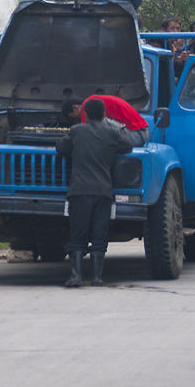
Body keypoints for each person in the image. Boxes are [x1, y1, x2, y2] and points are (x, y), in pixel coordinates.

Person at [57, 98, 134, 287]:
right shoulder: (111, 132)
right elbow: (128, 146)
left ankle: (76, 276)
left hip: (80, 191)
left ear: (87, 114)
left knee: (78, 233)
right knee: (100, 232)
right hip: (103, 191)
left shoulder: (77, 131)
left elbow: (61, 149)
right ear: (104, 115)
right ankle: (97, 277)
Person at [79, 94, 149, 147]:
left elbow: (86, 133)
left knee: (96, 122)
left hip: (137, 135)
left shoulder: (86, 106)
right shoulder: (93, 101)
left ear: (75, 108)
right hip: (140, 134)